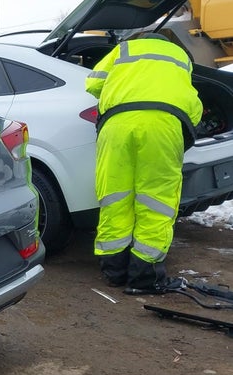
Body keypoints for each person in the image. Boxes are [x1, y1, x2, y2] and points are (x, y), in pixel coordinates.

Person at [85, 32, 203, 294]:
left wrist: (123, 88)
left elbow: (92, 83)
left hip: (116, 126)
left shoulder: (124, 50)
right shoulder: (181, 56)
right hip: (163, 125)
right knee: (157, 200)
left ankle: (113, 271)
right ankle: (144, 277)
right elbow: (192, 104)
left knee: (114, 197)